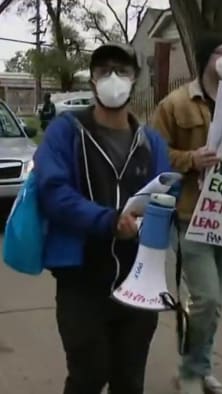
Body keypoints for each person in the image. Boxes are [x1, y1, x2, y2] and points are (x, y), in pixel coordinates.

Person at [34, 42, 172, 394]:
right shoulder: (66, 132)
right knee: (88, 376)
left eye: (122, 71)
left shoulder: (151, 142)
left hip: (138, 282)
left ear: (135, 80)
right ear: (93, 80)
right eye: (104, 71)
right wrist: (108, 221)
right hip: (81, 281)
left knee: (129, 380)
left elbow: (166, 196)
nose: (113, 79)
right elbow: (54, 192)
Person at [151, 31, 222, 394]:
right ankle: (189, 370)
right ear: (205, 58)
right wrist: (190, 159)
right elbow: (153, 155)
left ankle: (202, 369)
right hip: (191, 214)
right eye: (221, 50)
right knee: (206, 298)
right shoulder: (175, 104)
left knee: (214, 302)